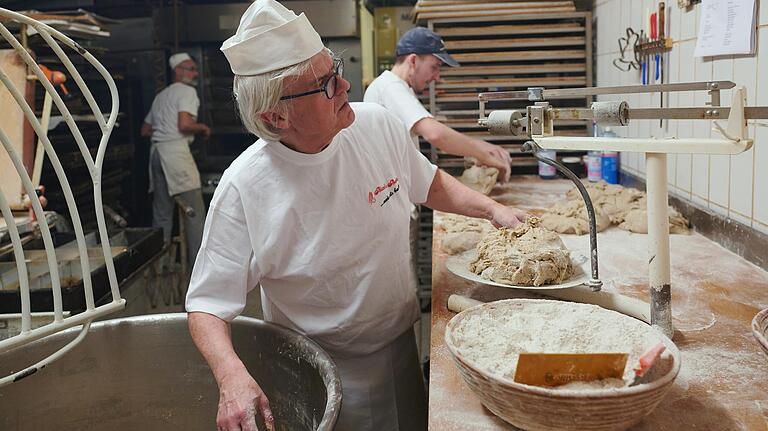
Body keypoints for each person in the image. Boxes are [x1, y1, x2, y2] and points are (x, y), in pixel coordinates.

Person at [185, 1, 527, 430]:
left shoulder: (376, 125)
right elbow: (207, 306)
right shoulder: (245, 189)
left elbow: (427, 182)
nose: (345, 84)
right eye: (325, 84)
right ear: (275, 115)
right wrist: (231, 376)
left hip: (401, 343)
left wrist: (492, 210)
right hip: (320, 369)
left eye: (335, 68)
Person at [364, 26, 512, 182]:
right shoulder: (390, 87)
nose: (437, 77)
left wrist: (479, 148)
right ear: (413, 60)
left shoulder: (399, 88)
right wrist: (483, 153)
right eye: (434, 67)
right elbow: (435, 134)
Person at [141, 53, 211, 268]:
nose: (195, 73)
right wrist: (203, 128)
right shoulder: (187, 91)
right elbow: (184, 125)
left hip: (157, 155)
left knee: (162, 214)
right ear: (178, 71)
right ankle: (199, 271)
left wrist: (164, 128)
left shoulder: (161, 96)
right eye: (191, 69)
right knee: (194, 214)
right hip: (175, 156)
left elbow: (145, 130)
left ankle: (161, 267)